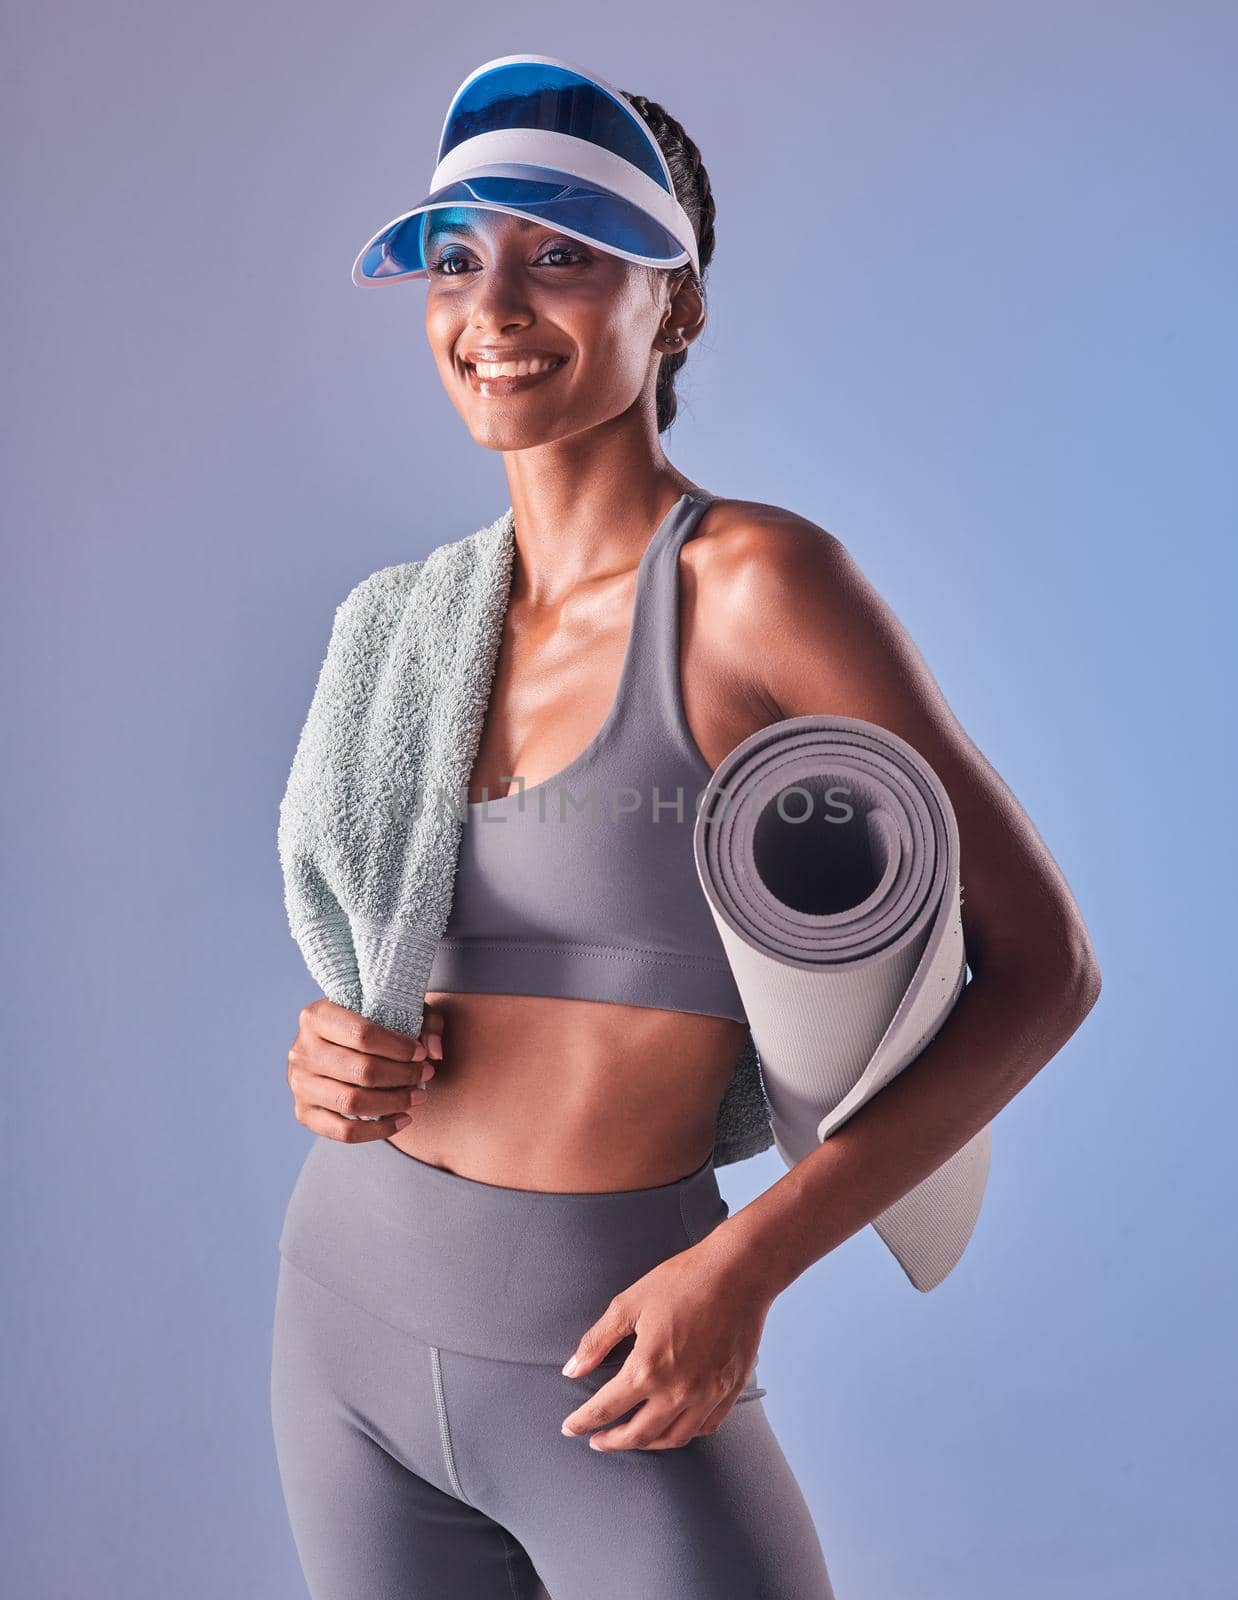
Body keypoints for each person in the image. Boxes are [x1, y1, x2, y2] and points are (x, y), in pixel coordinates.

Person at [270, 54, 1101, 1600]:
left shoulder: (755, 589)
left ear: (681, 306)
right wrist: (331, 1048)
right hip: (342, 1321)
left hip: (614, 1337)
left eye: (563, 255)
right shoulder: (403, 628)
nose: (493, 307)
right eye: (458, 260)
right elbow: (382, 944)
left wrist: (748, 1264)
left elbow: (1043, 966)